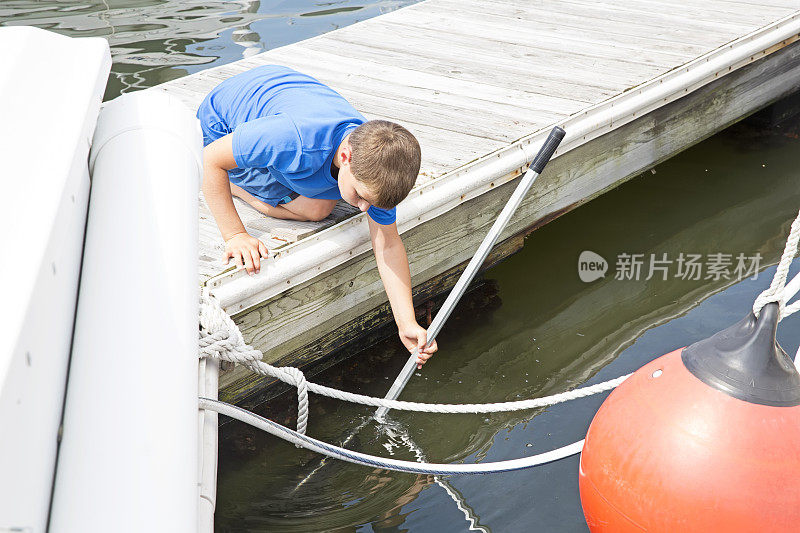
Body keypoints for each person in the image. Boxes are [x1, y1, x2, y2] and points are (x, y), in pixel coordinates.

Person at [198, 65, 437, 367]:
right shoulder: (292, 141)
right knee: (314, 209)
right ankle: (237, 185)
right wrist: (236, 234)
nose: (364, 208)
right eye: (361, 197)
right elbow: (209, 160)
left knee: (323, 204)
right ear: (346, 157)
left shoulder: (377, 170)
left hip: (280, 102)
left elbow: (387, 243)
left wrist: (406, 322)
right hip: (219, 126)